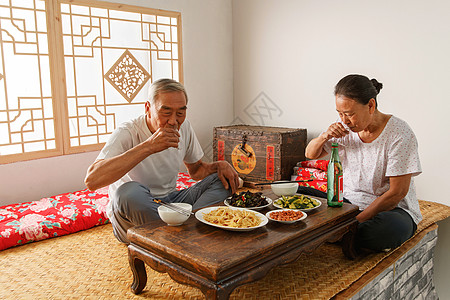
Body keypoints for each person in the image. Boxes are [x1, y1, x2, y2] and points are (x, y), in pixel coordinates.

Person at [85, 78, 239, 244]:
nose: (173, 121)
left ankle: (180, 235)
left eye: (180, 113)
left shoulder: (184, 127)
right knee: (127, 193)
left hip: (171, 203)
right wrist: (149, 146)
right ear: (148, 109)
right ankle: (187, 235)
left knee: (223, 181)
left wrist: (219, 166)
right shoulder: (128, 132)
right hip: (134, 214)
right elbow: (92, 180)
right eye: (166, 112)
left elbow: (196, 171)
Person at [303, 74, 422, 252]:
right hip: (347, 203)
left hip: (390, 210)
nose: (344, 120)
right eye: (340, 113)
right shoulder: (343, 127)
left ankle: (332, 233)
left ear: (371, 105)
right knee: (290, 192)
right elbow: (310, 154)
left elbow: (396, 193)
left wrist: (353, 222)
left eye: (350, 114)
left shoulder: (399, 134)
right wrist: (325, 136)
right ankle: (340, 235)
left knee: (386, 230)